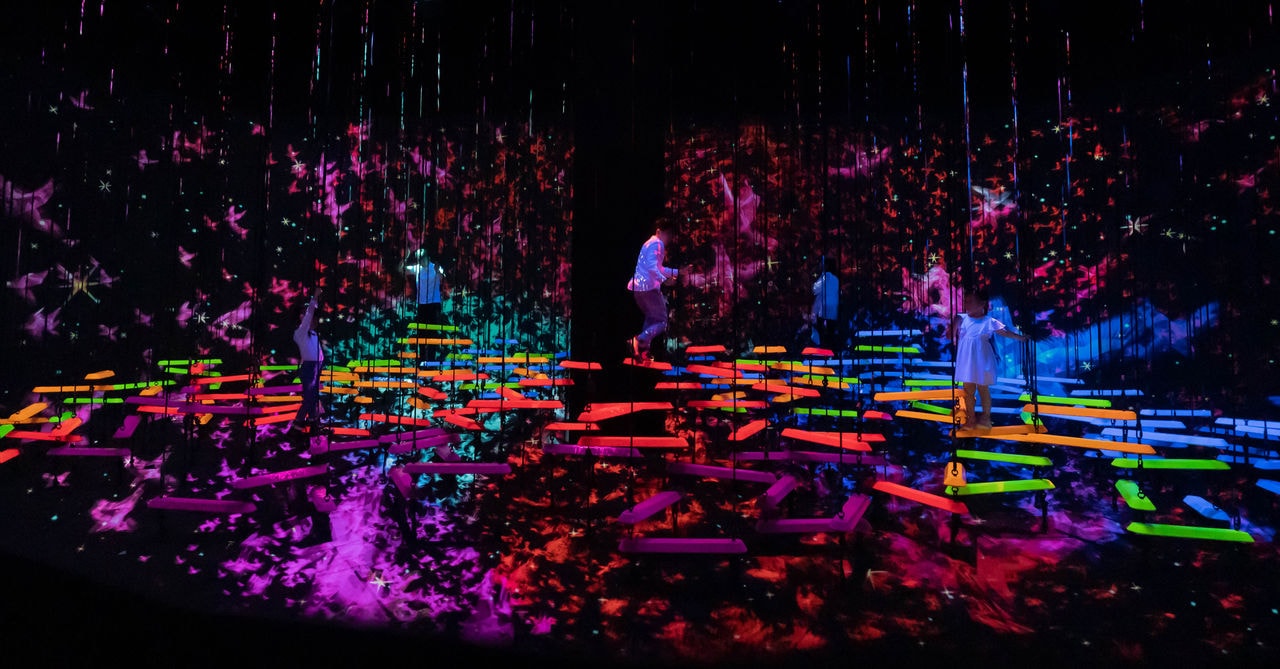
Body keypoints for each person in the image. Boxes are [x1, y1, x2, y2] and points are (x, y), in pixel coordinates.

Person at [952, 286, 1026, 429]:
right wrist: (953, 325)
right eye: (965, 301)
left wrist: (1021, 338)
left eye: (970, 301)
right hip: (967, 360)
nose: (966, 304)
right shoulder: (962, 319)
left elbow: (1005, 333)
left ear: (982, 304)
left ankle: (986, 417)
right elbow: (951, 335)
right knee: (968, 390)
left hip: (982, 359)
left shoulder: (989, 321)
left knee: (983, 388)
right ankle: (971, 418)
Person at [627, 221, 679, 362]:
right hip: (648, 288)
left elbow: (658, 268)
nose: (669, 238)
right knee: (662, 321)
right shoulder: (657, 244)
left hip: (640, 288)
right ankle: (638, 340)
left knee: (652, 318)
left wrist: (678, 272)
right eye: (668, 234)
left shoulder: (649, 243)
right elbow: (652, 268)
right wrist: (664, 280)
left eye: (671, 235)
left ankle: (643, 350)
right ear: (659, 231)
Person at [292, 291, 324, 431]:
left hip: (316, 367)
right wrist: (315, 298)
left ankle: (311, 422)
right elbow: (309, 314)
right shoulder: (300, 332)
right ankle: (299, 422)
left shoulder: (313, 333)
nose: (314, 320)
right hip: (310, 368)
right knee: (310, 396)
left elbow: (317, 352)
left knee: (313, 396)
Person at [405, 249, 446, 325]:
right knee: (422, 330)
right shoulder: (417, 268)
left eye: (422, 258)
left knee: (433, 329)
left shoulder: (435, 267)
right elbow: (402, 269)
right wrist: (404, 258)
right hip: (422, 304)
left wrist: (437, 271)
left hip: (434, 303)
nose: (421, 261)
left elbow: (442, 278)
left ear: (428, 257)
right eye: (419, 259)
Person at [808, 262, 839, 348]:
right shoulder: (836, 279)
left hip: (824, 307)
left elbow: (815, 290)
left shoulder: (824, 278)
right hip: (833, 308)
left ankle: (823, 347)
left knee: (821, 329)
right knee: (831, 330)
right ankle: (832, 348)